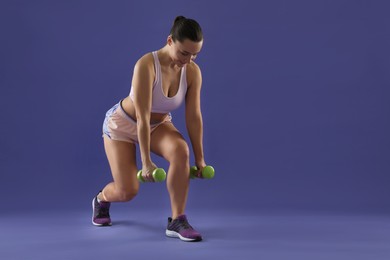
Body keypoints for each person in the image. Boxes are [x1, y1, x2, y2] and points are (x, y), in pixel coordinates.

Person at [92, 16, 207, 242]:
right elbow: (142, 117)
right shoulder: (146, 65)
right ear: (170, 41)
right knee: (128, 191)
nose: (189, 59)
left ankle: (177, 220)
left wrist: (200, 159)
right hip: (122, 125)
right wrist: (146, 161)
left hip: (158, 125)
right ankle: (101, 198)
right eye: (185, 53)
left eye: (195, 54)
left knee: (180, 150)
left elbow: (193, 116)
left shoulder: (192, 71)